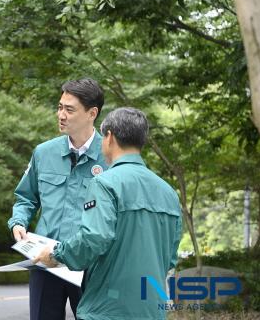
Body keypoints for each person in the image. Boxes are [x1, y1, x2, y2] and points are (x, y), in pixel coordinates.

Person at [34, 107, 182, 320]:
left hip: (107, 310)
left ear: (110, 137)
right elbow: (170, 258)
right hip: (151, 311)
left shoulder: (104, 183)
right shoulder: (168, 192)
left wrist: (56, 253)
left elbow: (93, 238)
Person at [8, 78, 107, 320]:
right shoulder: (44, 152)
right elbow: (25, 197)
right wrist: (18, 222)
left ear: (92, 113)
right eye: (60, 107)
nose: (61, 115)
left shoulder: (109, 156)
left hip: (89, 265)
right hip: (44, 262)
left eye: (69, 109)